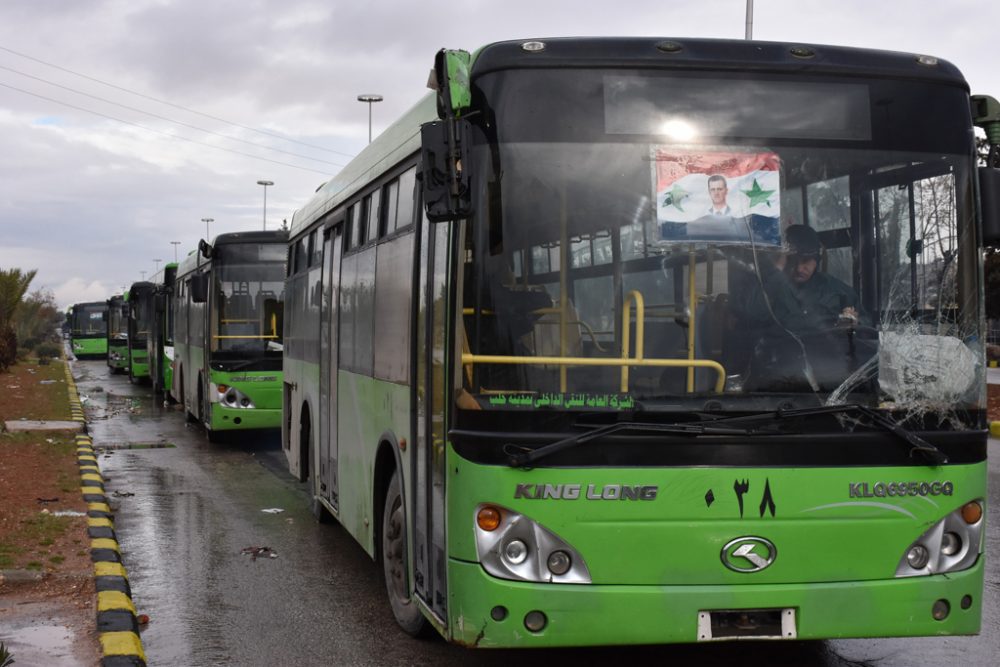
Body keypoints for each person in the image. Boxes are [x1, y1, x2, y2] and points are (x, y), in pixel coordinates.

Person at [734, 225, 872, 390]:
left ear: (817, 260)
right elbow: (751, 314)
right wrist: (777, 268)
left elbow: (867, 326)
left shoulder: (837, 291)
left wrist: (853, 323)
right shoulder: (768, 286)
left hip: (829, 377)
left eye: (806, 261)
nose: (799, 268)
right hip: (776, 376)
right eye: (793, 261)